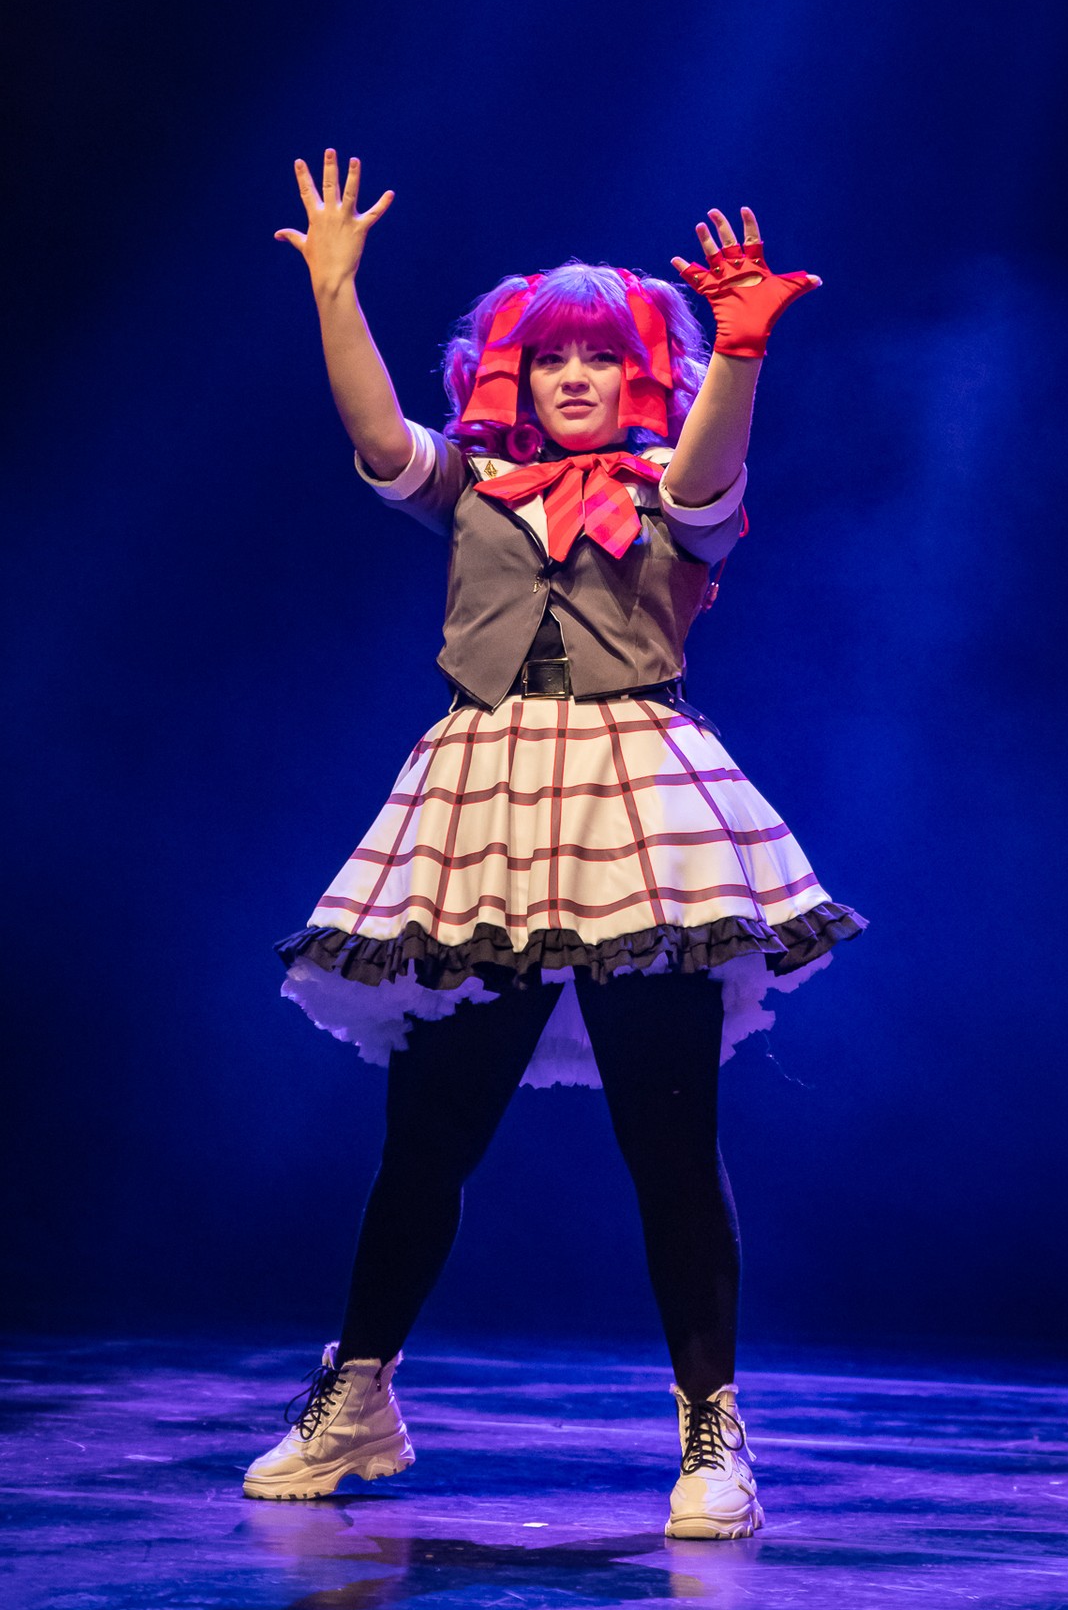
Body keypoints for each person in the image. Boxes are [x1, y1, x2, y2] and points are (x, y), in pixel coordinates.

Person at [243, 150, 865, 1538]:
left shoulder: (669, 482)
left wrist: (741, 350)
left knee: (670, 1140)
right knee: (429, 1135)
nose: (575, 376)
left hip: (638, 807)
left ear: (640, 375)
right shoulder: (473, 480)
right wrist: (336, 291)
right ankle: (358, 1395)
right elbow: (379, 439)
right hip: (484, 806)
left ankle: (710, 1429)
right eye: (551, 357)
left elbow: (711, 474)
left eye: (602, 357)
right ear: (511, 374)